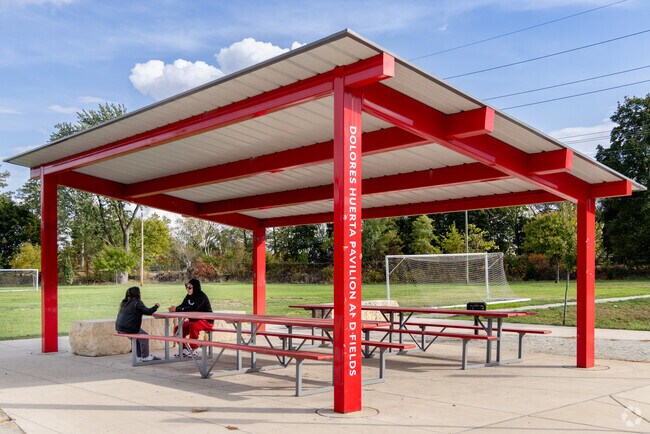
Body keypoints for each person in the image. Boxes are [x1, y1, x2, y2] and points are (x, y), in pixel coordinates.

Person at [168, 278, 213, 357]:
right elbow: (182, 306)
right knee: (177, 329)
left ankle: (194, 349)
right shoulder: (188, 296)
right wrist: (174, 309)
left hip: (206, 321)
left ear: (195, 287)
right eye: (186, 287)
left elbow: (193, 309)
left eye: (189, 288)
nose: (187, 289)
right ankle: (185, 350)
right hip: (194, 321)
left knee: (193, 326)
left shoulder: (201, 296)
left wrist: (177, 309)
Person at [115, 286, 160, 362]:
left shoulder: (124, 302)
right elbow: (148, 312)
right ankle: (145, 357)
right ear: (137, 294)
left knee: (139, 336)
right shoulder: (137, 302)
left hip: (119, 328)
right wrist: (156, 306)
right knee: (145, 337)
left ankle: (140, 355)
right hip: (129, 328)